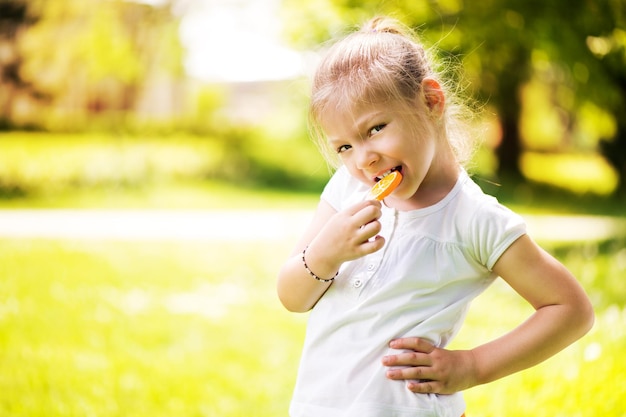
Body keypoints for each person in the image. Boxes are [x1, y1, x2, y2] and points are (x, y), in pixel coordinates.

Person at [276, 16, 594, 417]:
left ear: (430, 101)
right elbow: (292, 296)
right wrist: (324, 255)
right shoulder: (348, 190)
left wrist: (473, 365)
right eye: (343, 147)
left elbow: (571, 310)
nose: (363, 158)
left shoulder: (473, 219)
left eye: (374, 128)